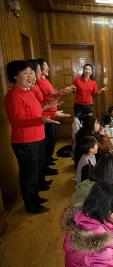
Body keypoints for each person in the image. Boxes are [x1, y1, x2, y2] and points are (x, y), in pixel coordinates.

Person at [5, 60, 59, 213]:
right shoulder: (14, 95)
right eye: (25, 73)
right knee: (29, 173)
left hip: (37, 136)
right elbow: (17, 121)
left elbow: (34, 112)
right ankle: (31, 204)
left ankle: (35, 197)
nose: (30, 76)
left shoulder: (28, 92)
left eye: (31, 72)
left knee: (36, 170)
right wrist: (41, 119)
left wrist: (46, 109)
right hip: (25, 140)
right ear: (15, 76)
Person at [64, 182, 113, 267]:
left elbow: (109, 233)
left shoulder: (86, 217)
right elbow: (105, 253)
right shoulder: (103, 250)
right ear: (109, 211)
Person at [36, 58, 73, 169]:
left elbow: (52, 93)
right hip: (46, 116)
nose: (48, 68)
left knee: (53, 138)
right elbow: (47, 98)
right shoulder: (39, 82)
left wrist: (62, 91)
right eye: (45, 66)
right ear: (39, 69)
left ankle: (49, 158)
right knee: (49, 140)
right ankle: (46, 162)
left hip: (52, 113)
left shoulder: (46, 80)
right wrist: (62, 92)